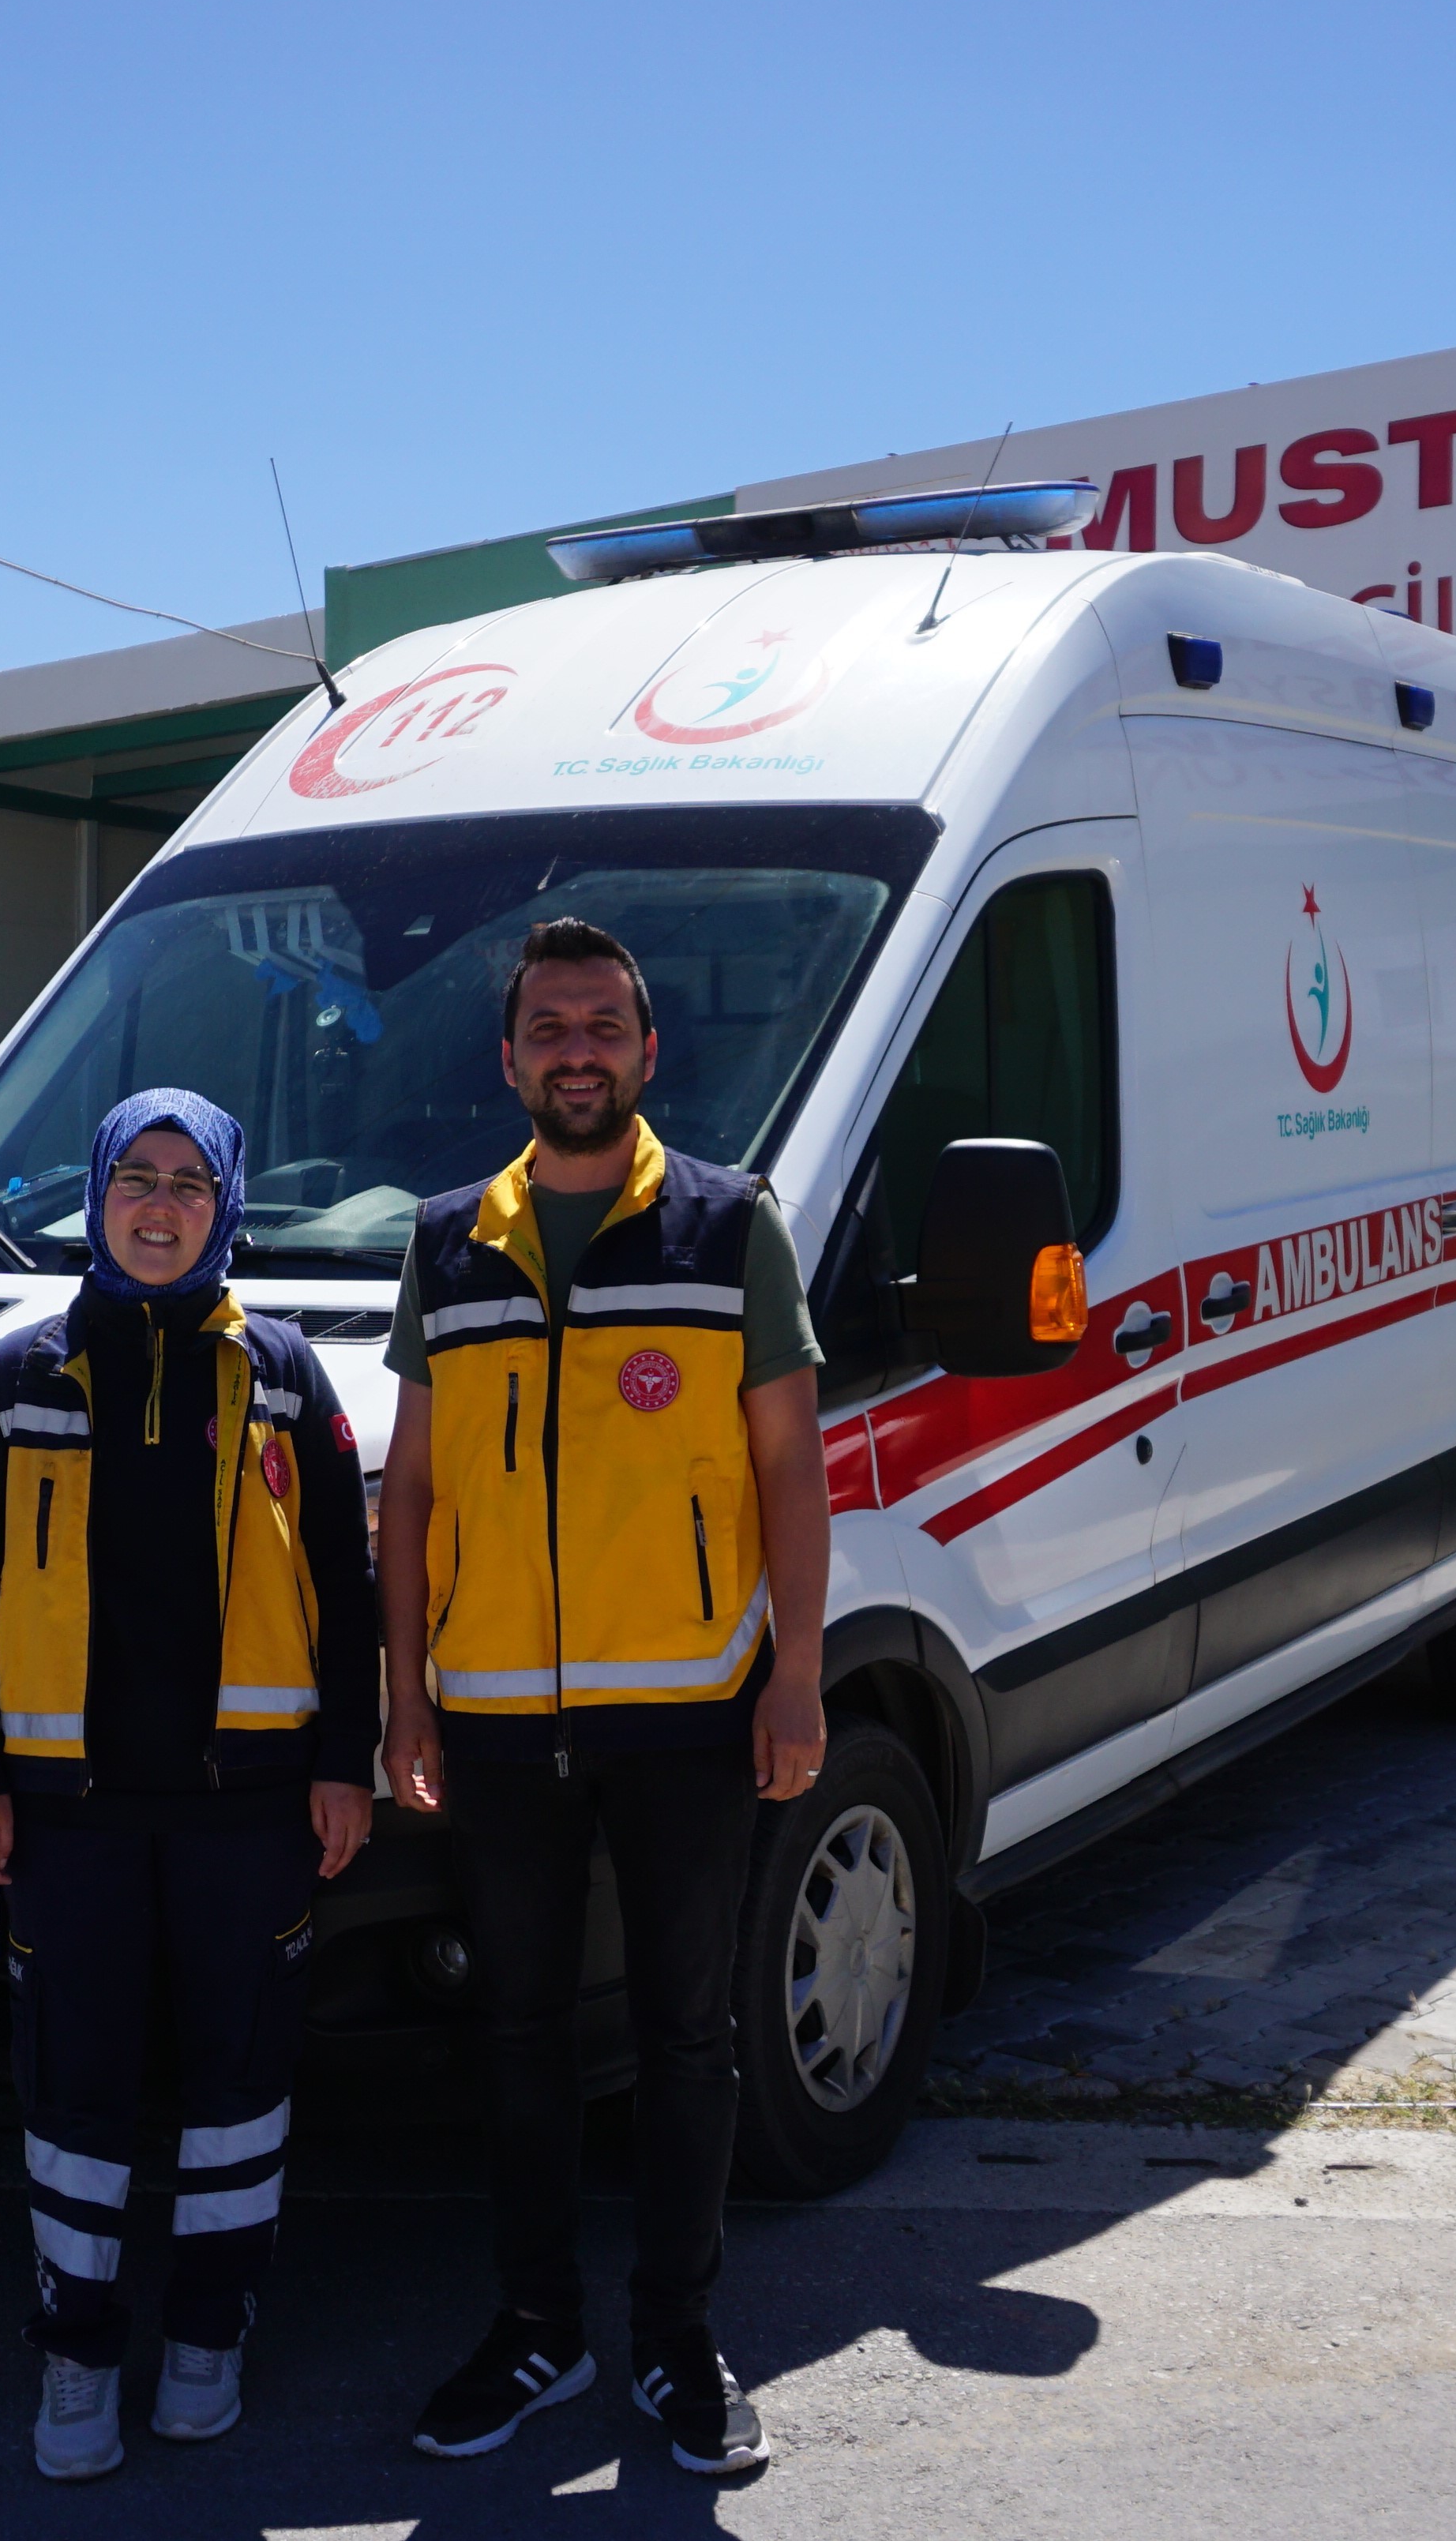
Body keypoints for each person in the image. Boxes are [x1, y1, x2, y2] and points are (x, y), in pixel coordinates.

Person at [378, 914, 833, 2478]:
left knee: (686, 2030)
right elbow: (415, 1489)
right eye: (549, 1027)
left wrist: (798, 1677)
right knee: (513, 2031)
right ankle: (537, 2326)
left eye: (603, 1023)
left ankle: (678, 2334)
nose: (577, 1048)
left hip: (692, 1702)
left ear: (648, 1050)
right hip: (495, 1709)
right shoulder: (448, 1240)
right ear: (510, 1060)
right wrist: (407, 1696)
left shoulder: (729, 1229)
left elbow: (792, 1468)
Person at [0, 1088, 381, 2482]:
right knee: (77, 2088)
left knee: (237, 2085)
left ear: (227, 1203)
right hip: (70, 1817)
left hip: (246, 1815)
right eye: (138, 1175)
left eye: (192, 1180)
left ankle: (208, 2335)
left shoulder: (293, 1378)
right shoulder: (18, 1377)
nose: (163, 1203)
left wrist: (339, 1764)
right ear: (99, 1196)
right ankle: (76, 2356)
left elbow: (347, 1600)